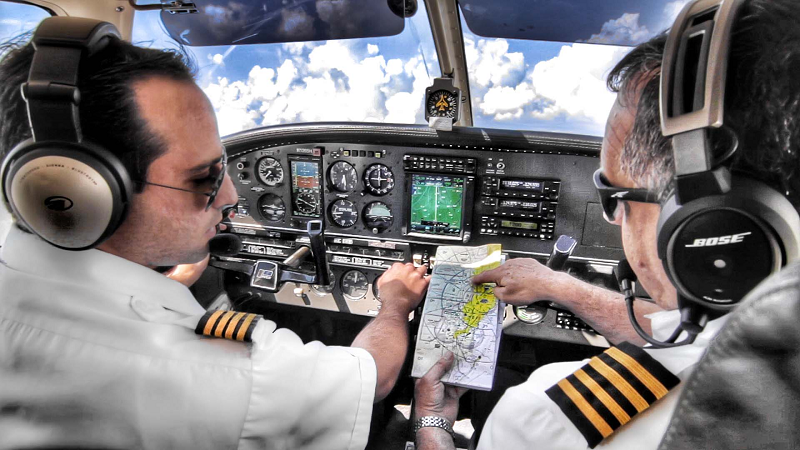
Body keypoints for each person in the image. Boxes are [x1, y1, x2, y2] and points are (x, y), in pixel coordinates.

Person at [0, 18, 429, 449]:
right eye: (203, 178)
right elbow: (372, 375)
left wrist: (170, 281)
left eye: (224, 166)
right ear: (80, 193)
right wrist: (394, 303)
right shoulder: (223, 374)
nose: (231, 197)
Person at [411, 0, 800, 448]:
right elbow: (687, 329)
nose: (612, 218)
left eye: (615, 197)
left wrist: (431, 421)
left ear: (702, 224)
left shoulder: (546, 419)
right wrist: (560, 286)